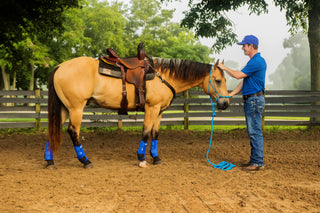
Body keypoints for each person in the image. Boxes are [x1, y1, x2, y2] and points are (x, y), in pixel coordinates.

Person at [218, 35, 267, 171]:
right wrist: (232, 94)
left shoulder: (257, 61)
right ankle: (255, 160)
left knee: (254, 131)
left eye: (244, 46)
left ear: (251, 46)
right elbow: (244, 81)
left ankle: (257, 162)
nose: (242, 48)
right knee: (253, 131)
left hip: (254, 100)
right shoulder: (253, 62)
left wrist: (223, 67)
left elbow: (238, 75)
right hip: (252, 100)